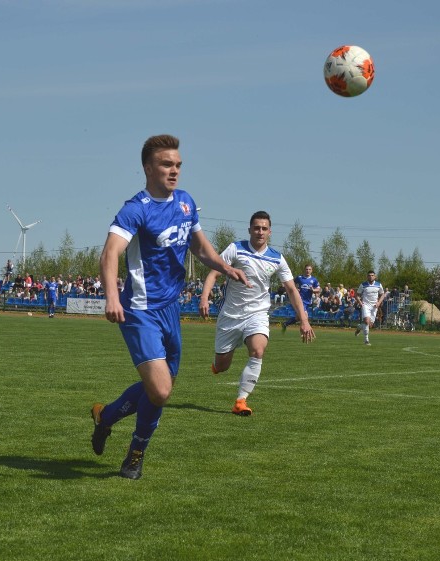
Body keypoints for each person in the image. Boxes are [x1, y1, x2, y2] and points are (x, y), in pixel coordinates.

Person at [89, 134, 249, 480]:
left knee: (160, 391)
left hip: (170, 311)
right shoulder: (135, 209)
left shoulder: (186, 203)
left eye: (177, 165)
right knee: (160, 390)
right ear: (148, 168)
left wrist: (225, 267)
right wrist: (112, 296)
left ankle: (108, 419)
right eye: (166, 164)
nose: (174, 171)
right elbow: (110, 253)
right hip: (140, 310)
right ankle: (135, 453)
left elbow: (202, 249)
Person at [199, 211, 314, 416]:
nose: (260, 232)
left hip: (258, 314)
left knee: (258, 351)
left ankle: (241, 401)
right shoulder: (236, 248)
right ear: (250, 229)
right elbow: (214, 272)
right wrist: (204, 297)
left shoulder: (277, 258)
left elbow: (291, 290)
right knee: (223, 365)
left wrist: (304, 320)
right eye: (256, 228)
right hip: (231, 315)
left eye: (264, 228)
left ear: (270, 232)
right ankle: (217, 365)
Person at [281, 264, 320, 332]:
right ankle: (305, 333)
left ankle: (286, 323)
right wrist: (296, 289)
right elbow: (291, 284)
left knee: (298, 318)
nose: (308, 271)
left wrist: (313, 290)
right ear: (304, 270)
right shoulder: (299, 278)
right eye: (306, 269)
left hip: (308, 301)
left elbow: (318, 289)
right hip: (300, 300)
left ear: (312, 270)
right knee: (305, 317)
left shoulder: (314, 280)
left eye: (309, 269)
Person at [354, 270, 385, 345]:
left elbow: (382, 294)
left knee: (370, 325)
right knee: (367, 321)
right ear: (367, 277)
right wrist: (360, 303)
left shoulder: (378, 285)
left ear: (375, 276)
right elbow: (357, 295)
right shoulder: (363, 285)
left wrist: (378, 302)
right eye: (369, 275)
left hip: (374, 306)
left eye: (372, 275)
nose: (371, 277)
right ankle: (366, 340)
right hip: (366, 305)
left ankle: (359, 327)